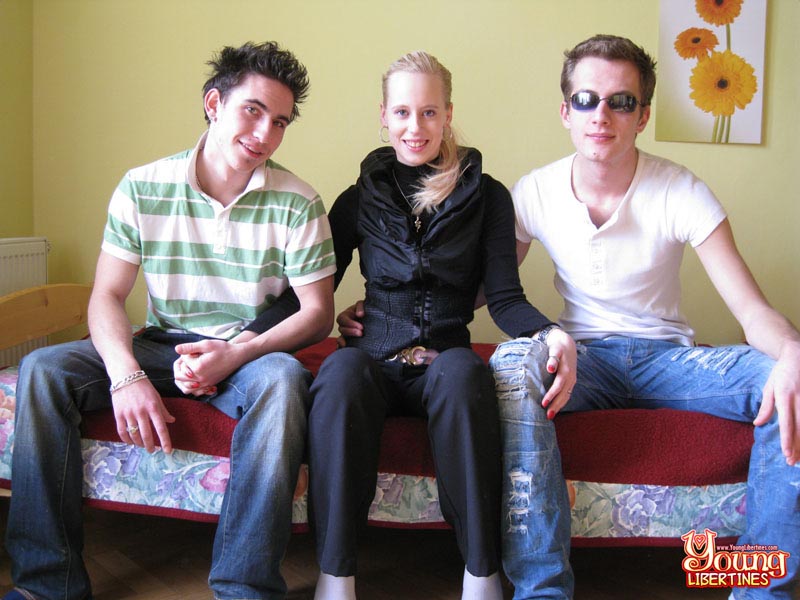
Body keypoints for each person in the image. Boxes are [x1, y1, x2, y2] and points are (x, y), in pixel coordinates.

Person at [4, 41, 336, 600]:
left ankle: (245, 588)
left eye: (280, 122)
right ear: (214, 104)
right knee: (42, 369)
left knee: (283, 382)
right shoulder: (142, 186)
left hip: (245, 353)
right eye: (253, 110)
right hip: (161, 344)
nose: (265, 134)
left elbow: (318, 313)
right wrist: (126, 375)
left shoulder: (298, 201)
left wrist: (237, 353)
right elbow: (107, 296)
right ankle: (46, 585)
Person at [504, 34, 800, 599]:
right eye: (586, 100)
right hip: (581, 360)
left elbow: (751, 310)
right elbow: (488, 291)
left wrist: (792, 353)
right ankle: (542, 590)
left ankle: (760, 592)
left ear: (642, 116)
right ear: (566, 112)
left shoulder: (681, 189)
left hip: (669, 362)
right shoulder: (534, 191)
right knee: (513, 369)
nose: (601, 115)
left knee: (790, 383)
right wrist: (392, 308)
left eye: (621, 102)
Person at [306, 51, 577, 600]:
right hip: (374, 358)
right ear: (383, 115)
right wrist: (244, 337)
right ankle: (335, 576)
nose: (415, 126)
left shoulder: (489, 197)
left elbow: (505, 299)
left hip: (445, 363)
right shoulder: (359, 199)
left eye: (429, 112)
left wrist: (551, 333)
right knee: (338, 373)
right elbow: (311, 291)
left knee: (464, 373)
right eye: (402, 112)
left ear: (448, 114)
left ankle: (481, 573)